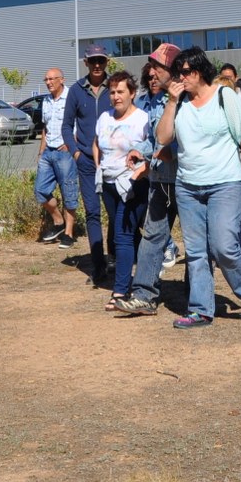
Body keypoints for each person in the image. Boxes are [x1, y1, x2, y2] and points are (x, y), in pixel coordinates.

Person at [156, 47, 241, 329]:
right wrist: (170, 102)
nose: (182, 77)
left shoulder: (224, 96)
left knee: (223, 245)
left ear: (201, 72)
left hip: (226, 183)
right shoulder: (178, 103)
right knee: (196, 252)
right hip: (188, 188)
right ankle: (201, 310)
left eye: (187, 72)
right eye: (179, 73)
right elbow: (163, 137)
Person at [113, 43, 183, 317]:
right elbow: (155, 140)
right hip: (160, 182)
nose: (151, 72)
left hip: (187, 183)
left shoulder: (187, 99)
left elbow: (188, 141)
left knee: (199, 241)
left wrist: (163, 154)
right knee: (152, 237)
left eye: (158, 67)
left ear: (174, 71)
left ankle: (198, 296)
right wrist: (140, 152)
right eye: (151, 66)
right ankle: (144, 296)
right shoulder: (155, 101)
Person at [93, 71, 151, 310]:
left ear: (132, 93)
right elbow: (96, 143)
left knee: (122, 235)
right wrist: (98, 165)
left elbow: (152, 150)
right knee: (130, 235)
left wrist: (140, 172)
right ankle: (147, 275)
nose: (116, 96)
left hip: (133, 183)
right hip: (108, 183)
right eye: (112, 92)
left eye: (121, 92)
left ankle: (120, 291)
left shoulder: (143, 119)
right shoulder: (105, 117)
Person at [62, 45, 114, 286]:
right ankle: (98, 266)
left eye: (100, 61)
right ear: (86, 63)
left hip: (114, 161)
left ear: (106, 62)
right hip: (85, 163)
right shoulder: (76, 90)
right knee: (93, 213)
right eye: (92, 61)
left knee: (116, 213)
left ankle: (114, 257)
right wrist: (75, 153)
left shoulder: (115, 87)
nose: (97, 65)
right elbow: (66, 126)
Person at [33, 68, 79, 246]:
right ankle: (58, 221)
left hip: (65, 151)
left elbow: (79, 124)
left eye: (52, 79)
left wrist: (71, 144)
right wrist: (41, 151)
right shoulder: (45, 101)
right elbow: (45, 128)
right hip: (48, 151)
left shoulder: (71, 97)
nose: (48, 82)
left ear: (62, 80)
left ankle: (68, 233)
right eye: (46, 79)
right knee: (40, 190)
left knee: (69, 192)